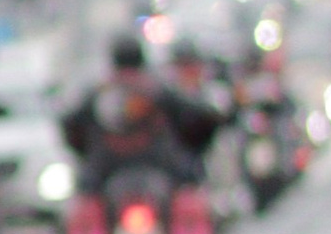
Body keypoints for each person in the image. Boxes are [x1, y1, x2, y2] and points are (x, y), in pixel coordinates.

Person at [60, 34, 220, 182]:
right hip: (163, 168)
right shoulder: (158, 89)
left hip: (105, 172)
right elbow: (197, 118)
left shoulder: (98, 93)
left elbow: (71, 124)